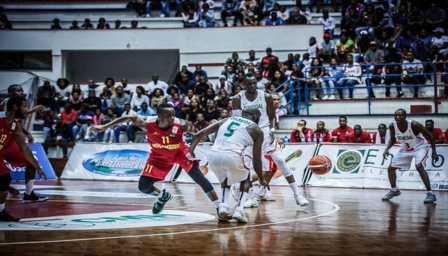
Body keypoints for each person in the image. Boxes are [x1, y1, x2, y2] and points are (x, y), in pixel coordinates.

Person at [90, 104, 220, 215]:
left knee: (198, 176)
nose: (172, 118)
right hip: (158, 156)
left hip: (180, 153)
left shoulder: (182, 125)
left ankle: (219, 207)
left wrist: (192, 149)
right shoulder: (147, 123)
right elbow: (130, 117)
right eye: (168, 115)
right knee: (144, 187)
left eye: (173, 115)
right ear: (159, 116)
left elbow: (199, 136)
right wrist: (105, 126)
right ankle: (162, 196)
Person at [231, 73, 309, 207]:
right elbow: (237, 120)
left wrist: (273, 131)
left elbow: (272, 116)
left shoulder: (265, 96)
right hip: (248, 134)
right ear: (244, 84)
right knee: (248, 167)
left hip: (266, 133)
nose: (252, 86)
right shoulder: (238, 99)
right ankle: (250, 197)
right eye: (249, 83)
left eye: (254, 83)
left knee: (279, 160)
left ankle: (297, 195)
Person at [188, 108, 269, 223]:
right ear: (256, 116)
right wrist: (261, 178)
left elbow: (198, 134)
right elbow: (256, 160)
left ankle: (223, 205)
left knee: (225, 176)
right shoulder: (256, 129)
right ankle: (239, 210)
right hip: (232, 155)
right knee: (245, 177)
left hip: (213, 155)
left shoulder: (227, 119)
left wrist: (191, 151)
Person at [0, 96, 47, 221]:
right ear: (15, 107)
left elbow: (24, 149)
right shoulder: (1, 118)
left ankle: (1, 211)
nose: (26, 110)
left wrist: (38, 168)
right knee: (4, 178)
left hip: (3, 149)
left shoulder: (15, 125)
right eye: (24, 107)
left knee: (4, 178)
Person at [382, 109, 439, 203]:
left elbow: (430, 135)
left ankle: (430, 193)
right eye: (396, 115)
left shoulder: (414, 125)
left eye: (400, 115)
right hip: (405, 149)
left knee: (419, 166)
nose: (398, 117)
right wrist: (386, 149)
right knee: (390, 168)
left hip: (420, 147)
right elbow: (392, 139)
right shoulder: (392, 126)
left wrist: (434, 151)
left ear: (405, 116)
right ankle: (394, 190)